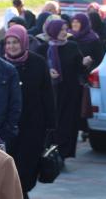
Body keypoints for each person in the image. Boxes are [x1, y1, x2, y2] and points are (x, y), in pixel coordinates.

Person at [3, 25, 56, 199]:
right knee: (8, 160)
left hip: (33, 122)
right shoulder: (0, 64)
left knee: (28, 160)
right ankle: (8, 194)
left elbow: (47, 94)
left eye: (15, 42)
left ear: (24, 42)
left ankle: (23, 192)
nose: (11, 46)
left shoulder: (38, 63)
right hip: (8, 122)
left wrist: (51, 123)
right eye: (8, 43)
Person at [36, 20, 85, 159]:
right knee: (52, 122)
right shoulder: (43, 49)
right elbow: (37, 69)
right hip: (50, 93)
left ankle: (63, 154)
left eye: (65, 29)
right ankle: (49, 152)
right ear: (53, 31)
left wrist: (85, 64)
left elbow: (79, 69)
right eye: (61, 30)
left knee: (67, 123)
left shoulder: (72, 46)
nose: (64, 32)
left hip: (70, 92)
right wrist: (48, 72)